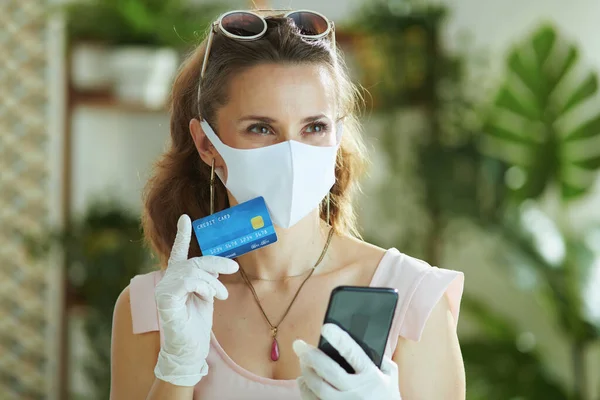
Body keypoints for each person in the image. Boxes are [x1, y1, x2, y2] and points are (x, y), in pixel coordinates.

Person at [110, 9, 465, 400]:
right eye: (261, 128)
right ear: (207, 144)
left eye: (314, 127)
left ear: (337, 134)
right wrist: (177, 369)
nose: (292, 153)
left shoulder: (413, 297)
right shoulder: (154, 309)